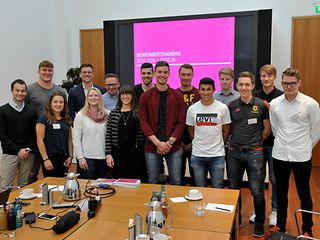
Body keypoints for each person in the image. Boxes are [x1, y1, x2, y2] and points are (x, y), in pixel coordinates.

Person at [265, 68, 320, 239]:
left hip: (301, 156)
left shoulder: (310, 104)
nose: (289, 86)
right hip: (280, 154)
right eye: (286, 83)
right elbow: (275, 128)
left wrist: (304, 147)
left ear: (299, 83)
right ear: (281, 83)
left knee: (304, 193)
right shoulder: (274, 103)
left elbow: (316, 132)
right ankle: (280, 226)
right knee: (280, 192)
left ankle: (307, 229)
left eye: (292, 83)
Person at [227, 71, 271, 238]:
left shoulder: (261, 105)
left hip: (255, 153)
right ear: (237, 86)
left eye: (247, 84)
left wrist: (256, 143)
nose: (244, 87)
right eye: (241, 84)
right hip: (234, 154)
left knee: (257, 190)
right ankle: (234, 220)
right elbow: (228, 128)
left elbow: (267, 128)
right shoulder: (231, 105)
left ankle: (259, 223)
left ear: (253, 86)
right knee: (233, 190)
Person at [139, 61, 185, 185]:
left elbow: (181, 122)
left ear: (169, 74)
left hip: (173, 146)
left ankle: (175, 205)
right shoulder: (145, 96)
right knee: (152, 181)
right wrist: (158, 143)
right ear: (154, 73)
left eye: (165, 72)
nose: (162, 75)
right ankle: (154, 204)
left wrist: (168, 143)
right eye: (159, 72)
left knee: (176, 181)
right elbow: (143, 122)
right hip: (152, 146)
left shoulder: (178, 96)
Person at [249, 64, 283, 226]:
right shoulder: (254, 95)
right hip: (257, 144)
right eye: (263, 75)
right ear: (260, 77)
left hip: (276, 145)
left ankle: (275, 210)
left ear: (274, 77)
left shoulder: (281, 96)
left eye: (269, 76)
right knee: (257, 179)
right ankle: (258, 210)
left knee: (275, 179)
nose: (266, 79)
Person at [26, 60, 66, 182]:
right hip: (35, 137)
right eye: (44, 70)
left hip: (53, 139)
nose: (47, 73)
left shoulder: (60, 91)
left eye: (49, 70)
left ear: (53, 72)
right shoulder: (30, 89)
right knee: (32, 172)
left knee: (56, 174)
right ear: (39, 71)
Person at [186, 77, 230, 188]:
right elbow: (191, 131)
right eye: (203, 89)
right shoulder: (192, 109)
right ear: (199, 90)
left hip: (217, 155)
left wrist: (219, 144)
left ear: (214, 90)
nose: (206, 92)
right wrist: (197, 143)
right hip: (198, 155)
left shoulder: (223, 108)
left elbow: (226, 130)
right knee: (200, 188)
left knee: (217, 187)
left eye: (208, 89)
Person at [0, 79, 38, 188]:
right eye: (17, 90)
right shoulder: (2, 111)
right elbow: (1, 134)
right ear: (12, 91)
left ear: (26, 93)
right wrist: (18, 150)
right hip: (9, 154)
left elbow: (35, 133)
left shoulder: (32, 111)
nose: (20, 93)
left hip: (28, 154)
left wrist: (28, 149)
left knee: (24, 186)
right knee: (4, 186)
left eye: (23, 91)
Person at [106, 85, 146, 181]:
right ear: (120, 96)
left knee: (135, 181)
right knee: (119, 181)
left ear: (132, 96)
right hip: (118, 153)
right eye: (123, 94)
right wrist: (108, 154)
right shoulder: (113, 113)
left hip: (136, 153)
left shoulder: (138, 113)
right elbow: (108, 135)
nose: (125, 96)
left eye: (128, 94)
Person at [73, 87, 109, 179]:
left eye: (96, 95)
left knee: (103, 188)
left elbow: (110, 137)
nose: (93, 98)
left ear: (100, 98)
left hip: (104, 157)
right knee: (88, 188)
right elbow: (76, 139)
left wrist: (110, 155)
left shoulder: (108, 114)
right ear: (87, 98)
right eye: (91, 95)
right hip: (87, 158)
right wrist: (80, 158)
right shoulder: (81, 115)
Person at [36, 92, 73, 177]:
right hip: (50, 158)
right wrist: (45, 159)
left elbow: (69, 139)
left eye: (61, 102)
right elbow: (39, 140)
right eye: (55, 102)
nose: (58, 104)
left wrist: (70, 156)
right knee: (51, 185)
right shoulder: (43, 118)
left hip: (64, 159)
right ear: (50, 103)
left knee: (62, 185)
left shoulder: (66, 118)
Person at [177, 64, 200, 186]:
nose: (186, 77)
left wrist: (193, 141)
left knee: (195, 176)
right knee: (178, 176)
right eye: (183, 74)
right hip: (177, 142)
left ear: (192, 75)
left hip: (195, 142)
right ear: (179, 75)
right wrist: (178, 140)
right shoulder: (173, 94)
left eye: (188, 74)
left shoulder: (199, 94)